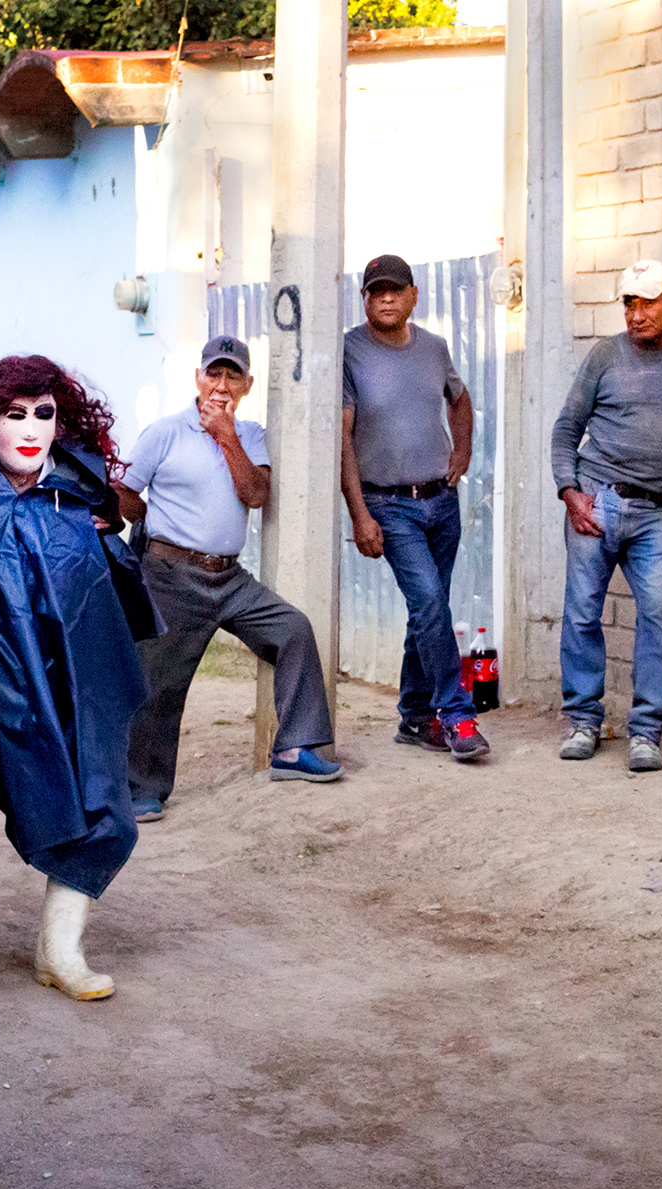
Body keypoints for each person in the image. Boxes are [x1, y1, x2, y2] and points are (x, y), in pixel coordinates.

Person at [0, 356, 153, 1001]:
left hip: (75, 682)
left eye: (44, 413)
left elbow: (107, 588)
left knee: (101, 804)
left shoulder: (79, 494)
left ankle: (60, 950)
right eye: (13, 414)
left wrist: (103, 528)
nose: (30, 428)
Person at [118, 335, 342, 822]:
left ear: (247, 385)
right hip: (171, 574)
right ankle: (141, 789)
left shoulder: (250, 435)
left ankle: (294, 750)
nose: (221, 385)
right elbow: (125, 493)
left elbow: (256, 494)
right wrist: (151, 523)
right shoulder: (164, 433)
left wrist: (226, 436)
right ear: (197, 379)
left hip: (229, 577)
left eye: (232, 376)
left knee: (293, 629)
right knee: (160, 680)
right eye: (213, 374)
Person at [551, 259, 662, 772]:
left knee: (658, 617)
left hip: (658, 511)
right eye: (629, 303)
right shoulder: (605, 354)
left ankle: (647, 732)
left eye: (648, 302)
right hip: (596, 500)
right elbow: (566, 429)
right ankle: (583, 720)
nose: (636, 314)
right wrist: (570, 492)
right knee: (582, 612)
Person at [339, 253, 489, 762]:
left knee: (430, 609)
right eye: (375, 291)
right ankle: (456, 714)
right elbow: (341, 438)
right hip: (388, 503)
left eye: (395, 290)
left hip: (441, 501)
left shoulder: (433, 347)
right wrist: (359, 514)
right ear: (364, 299)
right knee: (429, 603)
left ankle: (414, 716)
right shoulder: (349, 352)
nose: (386, 298)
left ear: (413, 296)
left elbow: (459, 399)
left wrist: (462, 451)